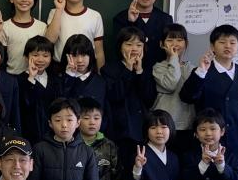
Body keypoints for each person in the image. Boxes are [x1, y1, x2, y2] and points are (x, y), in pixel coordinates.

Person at [180, 24, 238, 158]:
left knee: (235, 170)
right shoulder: (203, 70)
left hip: (237, 139)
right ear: (212, 46)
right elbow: (187, 97)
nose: (228, 46)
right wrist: (201, 71)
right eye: (222, 42)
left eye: (232, 43)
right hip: (208, 139)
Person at [28, 98, 103, 180]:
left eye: (69, 120)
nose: (64, 125)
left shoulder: (87, 152)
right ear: (50, 123)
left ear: (78, 122)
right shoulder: (40, 149)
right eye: (58, 120)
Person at [102, 26, 157, 165]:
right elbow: (116, 95)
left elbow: (149, 99)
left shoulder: (147, 69)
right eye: (129, 44)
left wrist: (139, 71)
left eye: (139, 45)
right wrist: (127, 69)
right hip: (120, 131)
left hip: (142, 130)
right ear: (120, 46)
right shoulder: (109, 69)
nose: (134, 49)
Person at [111, 0, 173, 68]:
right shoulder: (120, 18)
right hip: (129, 70)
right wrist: (131, 22)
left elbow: (168, 49)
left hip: (158, 71)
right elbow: (118, 49)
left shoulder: (166, 19)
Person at [45, 0, 104, 68]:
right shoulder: (55, 12)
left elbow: (99, 52)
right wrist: (59, 9)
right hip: (61, 68)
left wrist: (100, 73)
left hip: (86, 69)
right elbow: (49, 41)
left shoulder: (95, 16)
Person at [152, 24, 195, 156]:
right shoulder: (158, 68)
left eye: (179, 40)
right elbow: (170, 83)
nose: (175, 44)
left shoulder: (192, 69)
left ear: (186, 43)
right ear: (162, 44)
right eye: (170, 40)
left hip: (186, 126)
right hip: (163, 126)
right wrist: (174, 58)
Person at [18, 35, 62, 144]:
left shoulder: (55, 79)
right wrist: (31, 78)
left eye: (45, 55)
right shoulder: (19, 80)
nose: (41, 59)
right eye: (35, 55)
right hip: (29, 135)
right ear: (26, 57)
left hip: (53, 135)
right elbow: (25, 104)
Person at [4, 0, 48, 75]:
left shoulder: (42, 27)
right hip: (12, 76)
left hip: (35, 76)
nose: (24, 0)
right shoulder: (4, 27)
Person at [61, 34, 107, 113]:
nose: (80, 60)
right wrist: (69, 76)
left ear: (90, 55)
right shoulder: (60, 80)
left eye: (83, 55)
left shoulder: (100, 81)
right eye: (74, 55)